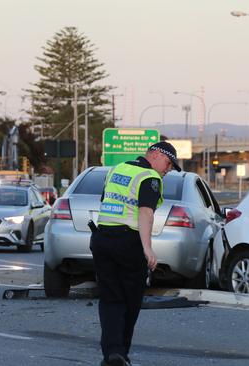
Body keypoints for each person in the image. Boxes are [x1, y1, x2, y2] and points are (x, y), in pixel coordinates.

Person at [90, 141, 181, 366]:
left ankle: (112, 353)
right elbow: (145, 213)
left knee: (110, 299)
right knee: (130, 301)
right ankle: (121, 354)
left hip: (102, 238)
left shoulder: (117, 169)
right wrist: (147, 248)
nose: (167, 170)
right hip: (128, 242)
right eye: (168, 163)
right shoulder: (149, 178)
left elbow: (106, 201)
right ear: (156, 155)